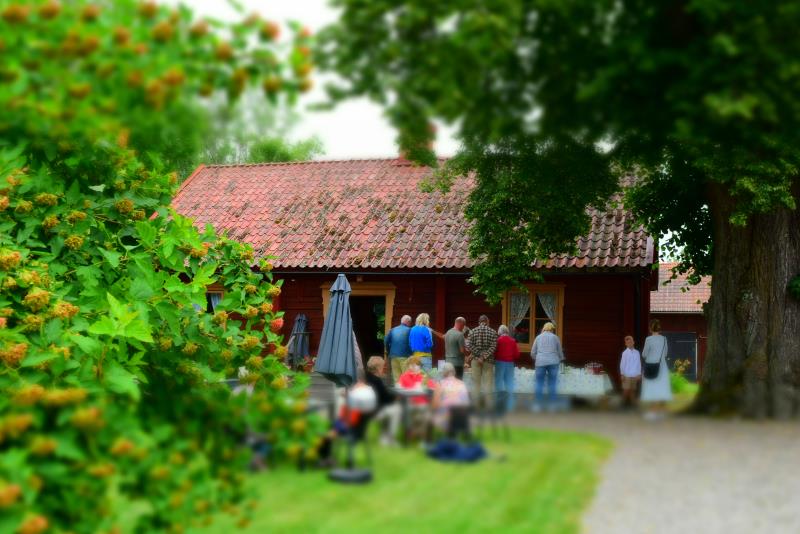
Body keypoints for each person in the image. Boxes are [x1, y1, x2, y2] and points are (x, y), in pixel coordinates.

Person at [365, 356, 401, 446]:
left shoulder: (366, 378)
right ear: (377, 369)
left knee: (388, 410)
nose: (383, 369)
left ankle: (384, 438)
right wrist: (397, 397)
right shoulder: (377, 381)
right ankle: (390, 438)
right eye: (382, 367)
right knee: (396, 409)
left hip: (365, 411)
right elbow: (386, 399)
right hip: (374, 413)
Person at [640, 319, 672, 420]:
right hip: (662, 366)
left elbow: (644, 354)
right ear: (659, 328)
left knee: (652, 389)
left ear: (650, 328)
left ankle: (653, 413)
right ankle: (660, 412)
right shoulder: (664, 339)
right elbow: (666, 353)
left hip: (651, 366)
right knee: (661, 389)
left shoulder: (648, 339)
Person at [466, 315, 498, 410]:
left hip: (476, 360)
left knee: (476, 383)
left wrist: (479, 355)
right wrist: (484, 356)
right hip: (488, 360)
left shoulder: (472, 331)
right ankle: (489, 406)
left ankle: (476, 406)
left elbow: (469, 345)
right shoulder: (493, 332)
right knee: (488, 383)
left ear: (479, 321)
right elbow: (494, 346)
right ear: (487, 321)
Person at [531, 322, 564, 412]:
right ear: (552, 329)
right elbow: (560, 351)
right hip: (553, 362)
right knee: (552, 383)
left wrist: (537, 358)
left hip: (540, 362)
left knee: (539, 383)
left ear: (544, 328)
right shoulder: (555, 338)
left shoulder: (538, 337)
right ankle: (552, 406)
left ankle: (537, 406)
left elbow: (533, 352)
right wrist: (561, 358)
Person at [431, 362, 470, 431]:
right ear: (454, 372)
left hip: (446, 419)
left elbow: (435, 404)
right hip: (461, 418)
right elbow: (466, 403)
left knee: (429, 417)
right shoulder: (461, 383)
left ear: (443, 373)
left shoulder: (440, 384)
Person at [494, 325, 519, 414]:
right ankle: (510, 405)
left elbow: (494, 352)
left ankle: (499, 405)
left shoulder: (498, 340)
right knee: (509, 384)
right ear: (507, 331)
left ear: (500, 332)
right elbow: (517, 354)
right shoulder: (512, 341)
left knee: (499, 384)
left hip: (499, 363)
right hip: (509, 363)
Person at [384, 315, 413, 385]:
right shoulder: (410, 330)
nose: (410, 324)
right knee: (406, 377)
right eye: (410, 322)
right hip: (405, 356)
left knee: (396, 378)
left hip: (393, 356)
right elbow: (412, 342)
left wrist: (388, 351)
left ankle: (398, 394)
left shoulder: (392, 330)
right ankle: (406, 395)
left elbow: (386, 341)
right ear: (408, 322)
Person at [619, 335, 642, 408]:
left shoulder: (637, 352)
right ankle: (622, 404)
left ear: (633, 342)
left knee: (633, 390)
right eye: (627, 342)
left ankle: (633, 405)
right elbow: (622, 364)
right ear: (626, 344)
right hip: (627, 374)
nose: (629, 343)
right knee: (626, 390)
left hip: (634, 374)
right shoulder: (625, 353)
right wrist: (622, 374)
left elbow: (639, 363)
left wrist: (639, 374)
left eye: (631, 342)